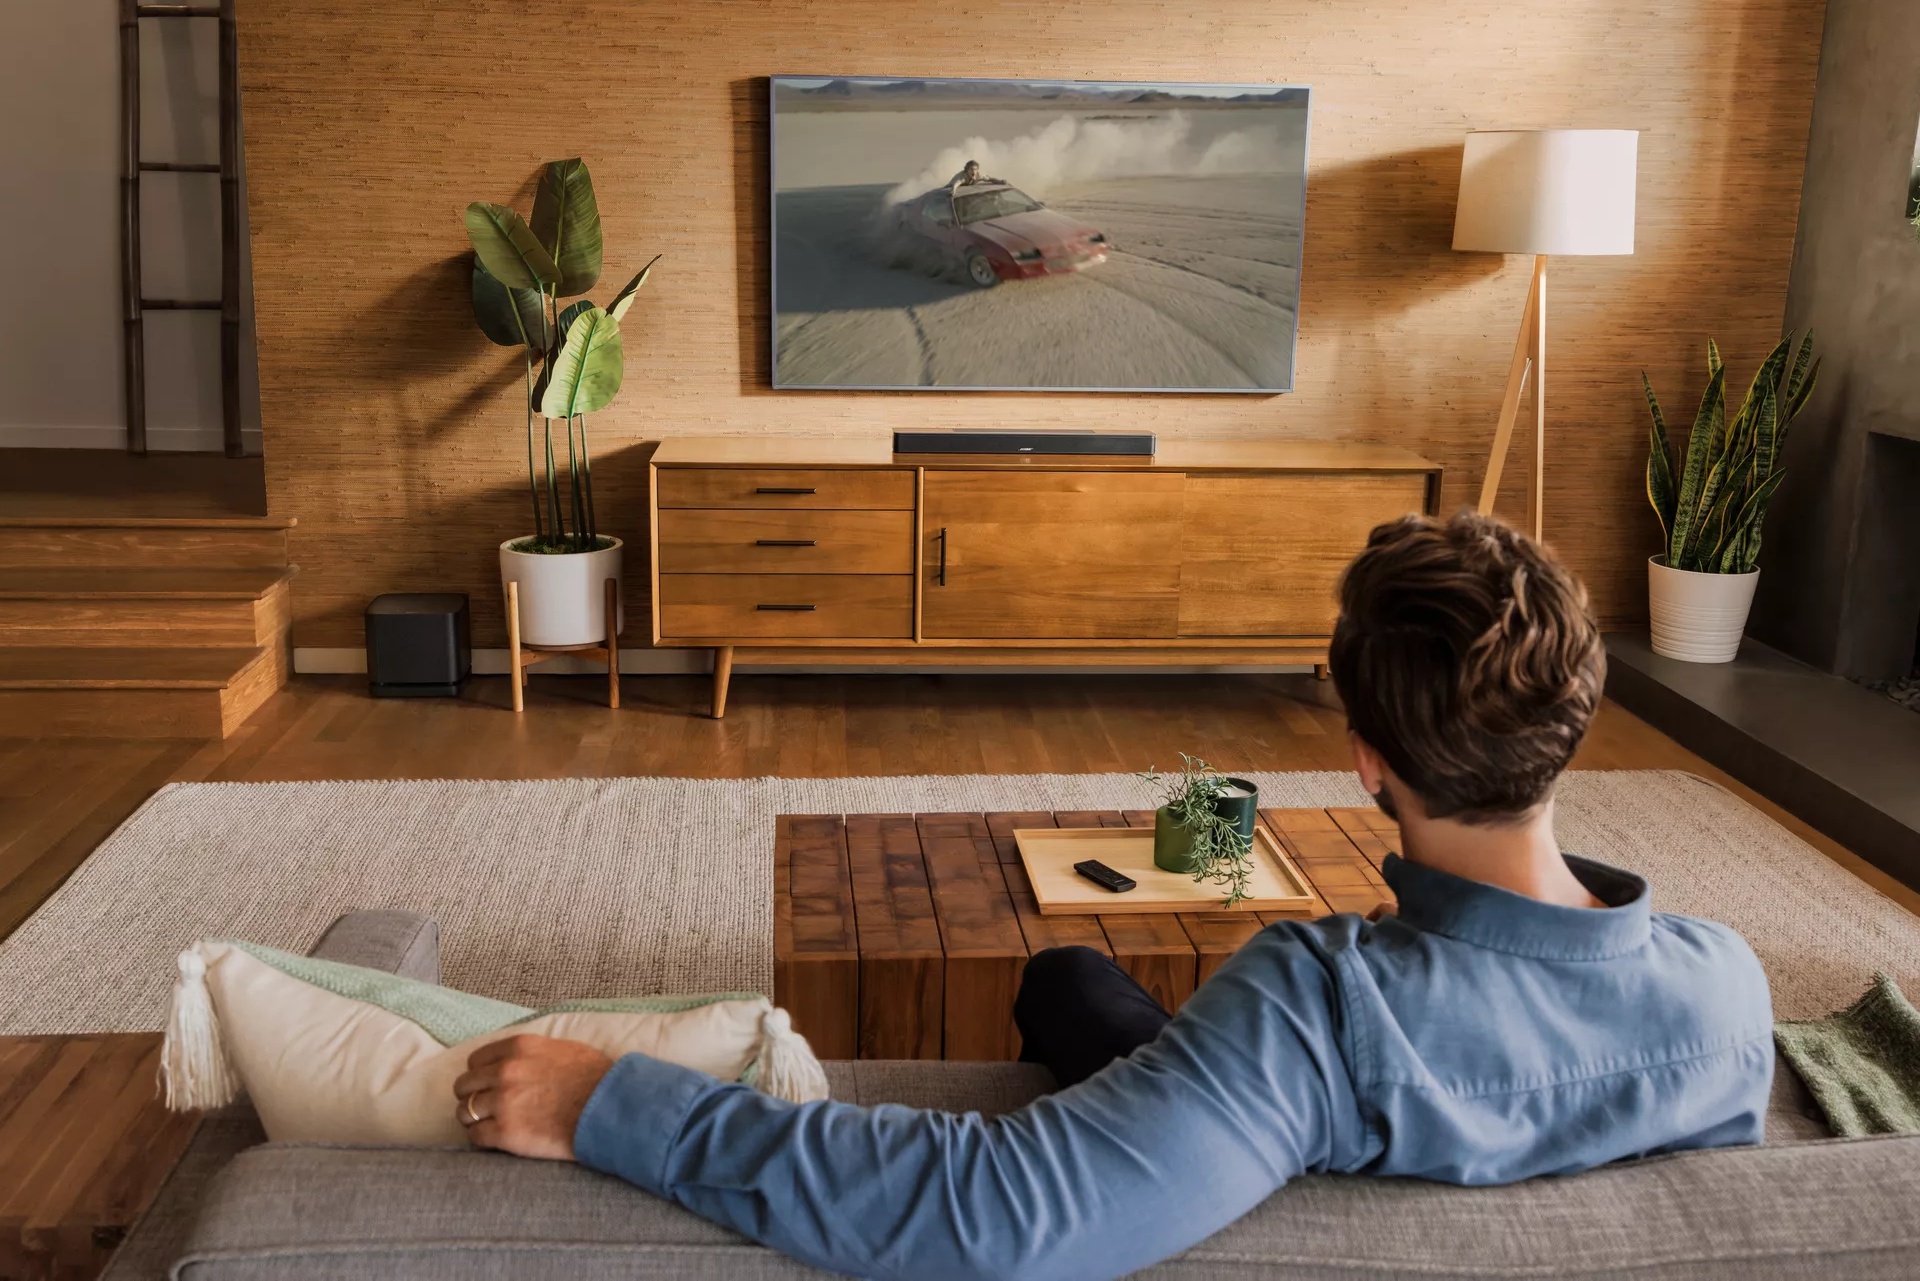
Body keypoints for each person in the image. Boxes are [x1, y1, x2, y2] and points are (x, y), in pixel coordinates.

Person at [450, 511, 1775, 1281]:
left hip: (1265, 1114)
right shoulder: (1729, 987)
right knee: (1073, 982)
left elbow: (986, 1208)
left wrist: (611, 1097)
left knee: (1067, 986)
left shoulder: (1316, 1007)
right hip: (1302, 1101)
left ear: (1367, 759)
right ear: (1575, 722)